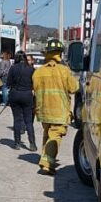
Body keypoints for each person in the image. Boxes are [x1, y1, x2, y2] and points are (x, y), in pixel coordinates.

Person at [33, 37, 79, 175]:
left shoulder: (38, 72)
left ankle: (45, 158)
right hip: (59, 111)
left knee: (47, 135)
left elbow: (35, 90)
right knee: (55, 136)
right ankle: (47, 164)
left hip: (43, 111)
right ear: (60, 53)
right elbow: (74, 88)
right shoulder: (64, 71)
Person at [6, 51, 36, 150]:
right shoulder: (31, 69)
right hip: (27, 95)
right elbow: (34, 84)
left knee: (17, 120)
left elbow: (8, 83)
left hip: (15, 94)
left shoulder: (13, 68)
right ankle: (32, 143)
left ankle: (17, 143)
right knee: (28, 121)